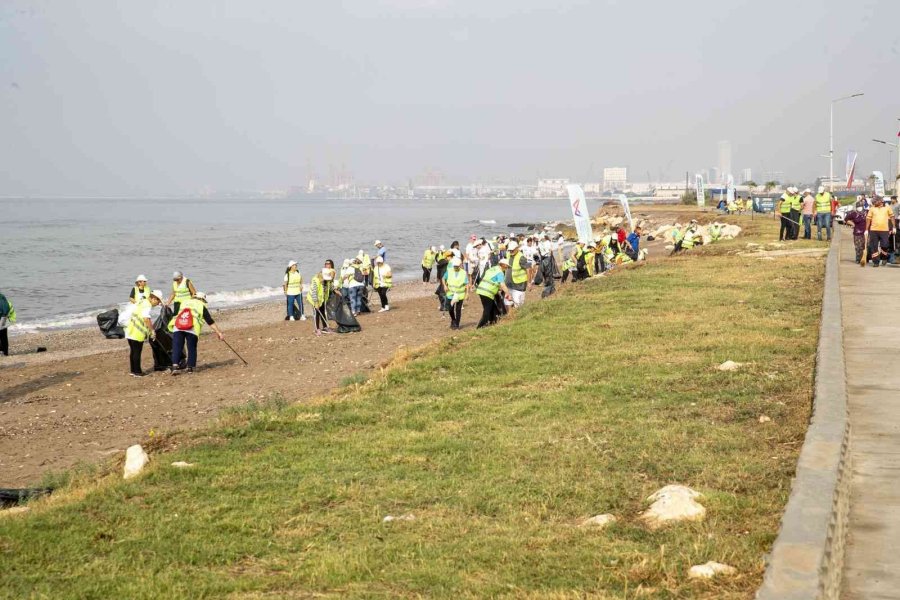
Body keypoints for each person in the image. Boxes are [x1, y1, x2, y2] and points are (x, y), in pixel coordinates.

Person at [168, 292, 224, 374]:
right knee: (191, 348)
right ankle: (190, 368)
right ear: (203, 299)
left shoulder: (184, 302)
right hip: (192, 328)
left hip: (178, 326)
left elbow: (176, 314)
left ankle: (175, 366)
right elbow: (210, 321)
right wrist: (219, 332)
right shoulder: (201, 305)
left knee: (177, 346)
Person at [125, 289, 163, 377]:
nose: (157, 304)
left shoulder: (141, 301)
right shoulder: (147, 305)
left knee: (133, 351)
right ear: (154, 298)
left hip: (130, 329)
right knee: (137, 351)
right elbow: (146, 319)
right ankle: (138, 372)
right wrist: (152, 331)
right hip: (137, 332)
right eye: (158, 302)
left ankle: (133, 371)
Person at [476, 259, 511, 328]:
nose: (506, 269)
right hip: (487, 292)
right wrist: (508, 294)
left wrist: (497, 289)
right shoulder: (500, 273)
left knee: (492, 308)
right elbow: (502, 285)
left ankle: (492, 323)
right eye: (506, 267)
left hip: (481, 290)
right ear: (503, 265)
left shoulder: (492, 269)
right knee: (487, 310)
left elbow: (491, 281)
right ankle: (480, 327)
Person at [865, 196, 895, 267]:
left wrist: (894, 227)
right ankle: (876, 262)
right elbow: (868, 219)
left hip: (884, 230)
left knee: (885, 245)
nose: (874, 203)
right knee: (873, 246)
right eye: (873, 202)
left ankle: (884, 257)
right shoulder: (872, 208)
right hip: (873, 230)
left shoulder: (887, 208)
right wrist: (866, 229)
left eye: (875, 201)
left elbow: (892, 217)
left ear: (880, 201)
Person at [308, 268, 337, 335]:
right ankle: (317, 329)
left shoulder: (327, 281)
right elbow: (314, 292)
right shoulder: (316, 280)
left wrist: (335, 290)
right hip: (314, 299)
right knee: (316, 314)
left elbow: (330, 287)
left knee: (323, 312)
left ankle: (325, 327)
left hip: (322, 299)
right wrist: (316, 303)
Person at [442, 257, 469, 330]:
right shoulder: (449, 271)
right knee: (450, 309)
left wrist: (467, 294)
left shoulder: (463, 273)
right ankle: (453, 320)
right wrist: (444, 286)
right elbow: (443, 278)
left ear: (460, 265)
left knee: (458, 310)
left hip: (460, 294)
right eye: (455, 266)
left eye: (457, 266)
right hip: (450, 293)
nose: (456, 268)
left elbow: (466, 284)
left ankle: (457, 324)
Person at [505, 240, 528, 308]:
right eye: (510, 250)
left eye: (512, 250)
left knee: (518, 305)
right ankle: (510, 318)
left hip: (519, 285)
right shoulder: (508, 254)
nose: (511, 251)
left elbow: (529, 268)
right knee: (508, 303)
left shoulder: (522, 257)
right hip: (509, 284)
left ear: (517, 248)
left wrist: (530, 282)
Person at [0, 291, 16, 357]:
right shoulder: (4, 299)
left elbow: (4, 311)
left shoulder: (2, 301)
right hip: (7, 319)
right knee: (3, 336)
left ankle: (3, 351)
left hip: (3, 318)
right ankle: (5, 353)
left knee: (2, 336)